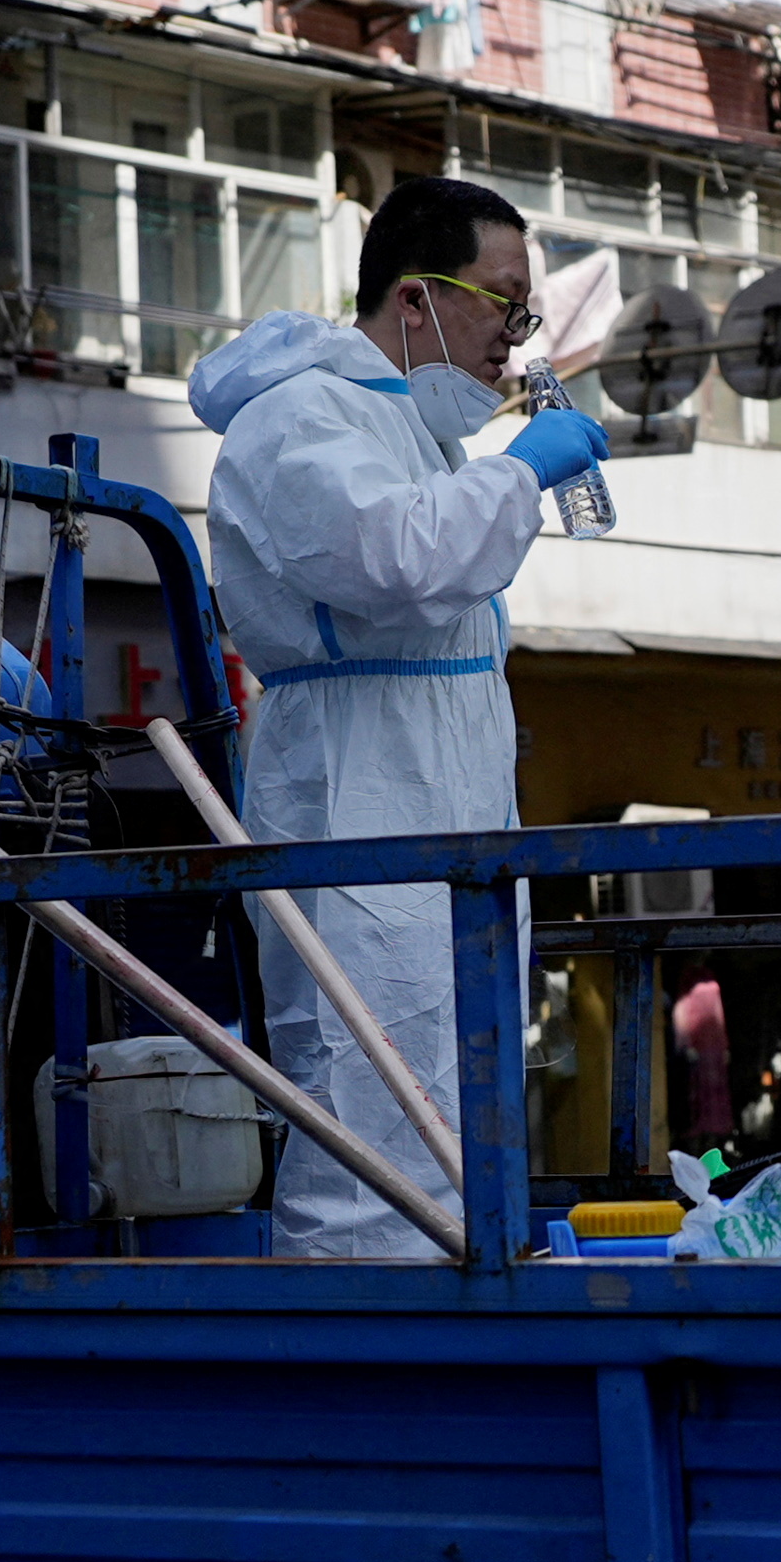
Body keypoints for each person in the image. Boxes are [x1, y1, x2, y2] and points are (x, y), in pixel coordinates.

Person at [191, 176, 619, 1255]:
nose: (514, 343)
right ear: (416, 298)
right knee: (366, 1095)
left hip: (434, 790)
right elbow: (394, 559)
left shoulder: (414, 434)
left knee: (444, 1098)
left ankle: (446, 1311)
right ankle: (364, 1364)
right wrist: (521, 473)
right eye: (503, 305)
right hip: (358, 789)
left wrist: (501, 475)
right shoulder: (298, 417)